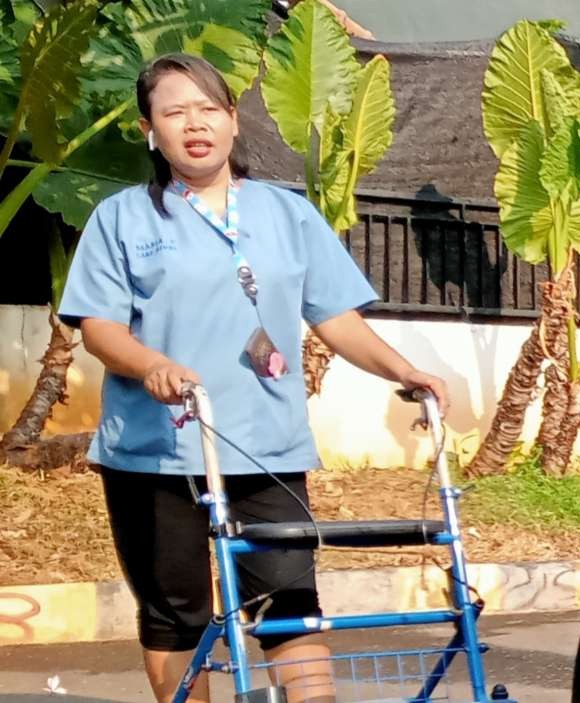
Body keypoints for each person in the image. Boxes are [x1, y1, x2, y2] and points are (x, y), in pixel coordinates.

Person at [58, 54, 447, 703]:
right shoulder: (123, 217)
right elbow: (99, 326)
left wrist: (406, 371)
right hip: (158, 449)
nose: (195, 124)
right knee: (176, 609)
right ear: (149, 129)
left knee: (291, 601)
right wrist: (151, 363)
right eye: (174, 111)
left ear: (234, 121)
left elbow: (338, 319)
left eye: (209, 108)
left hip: (266, 445)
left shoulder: (286, 214)